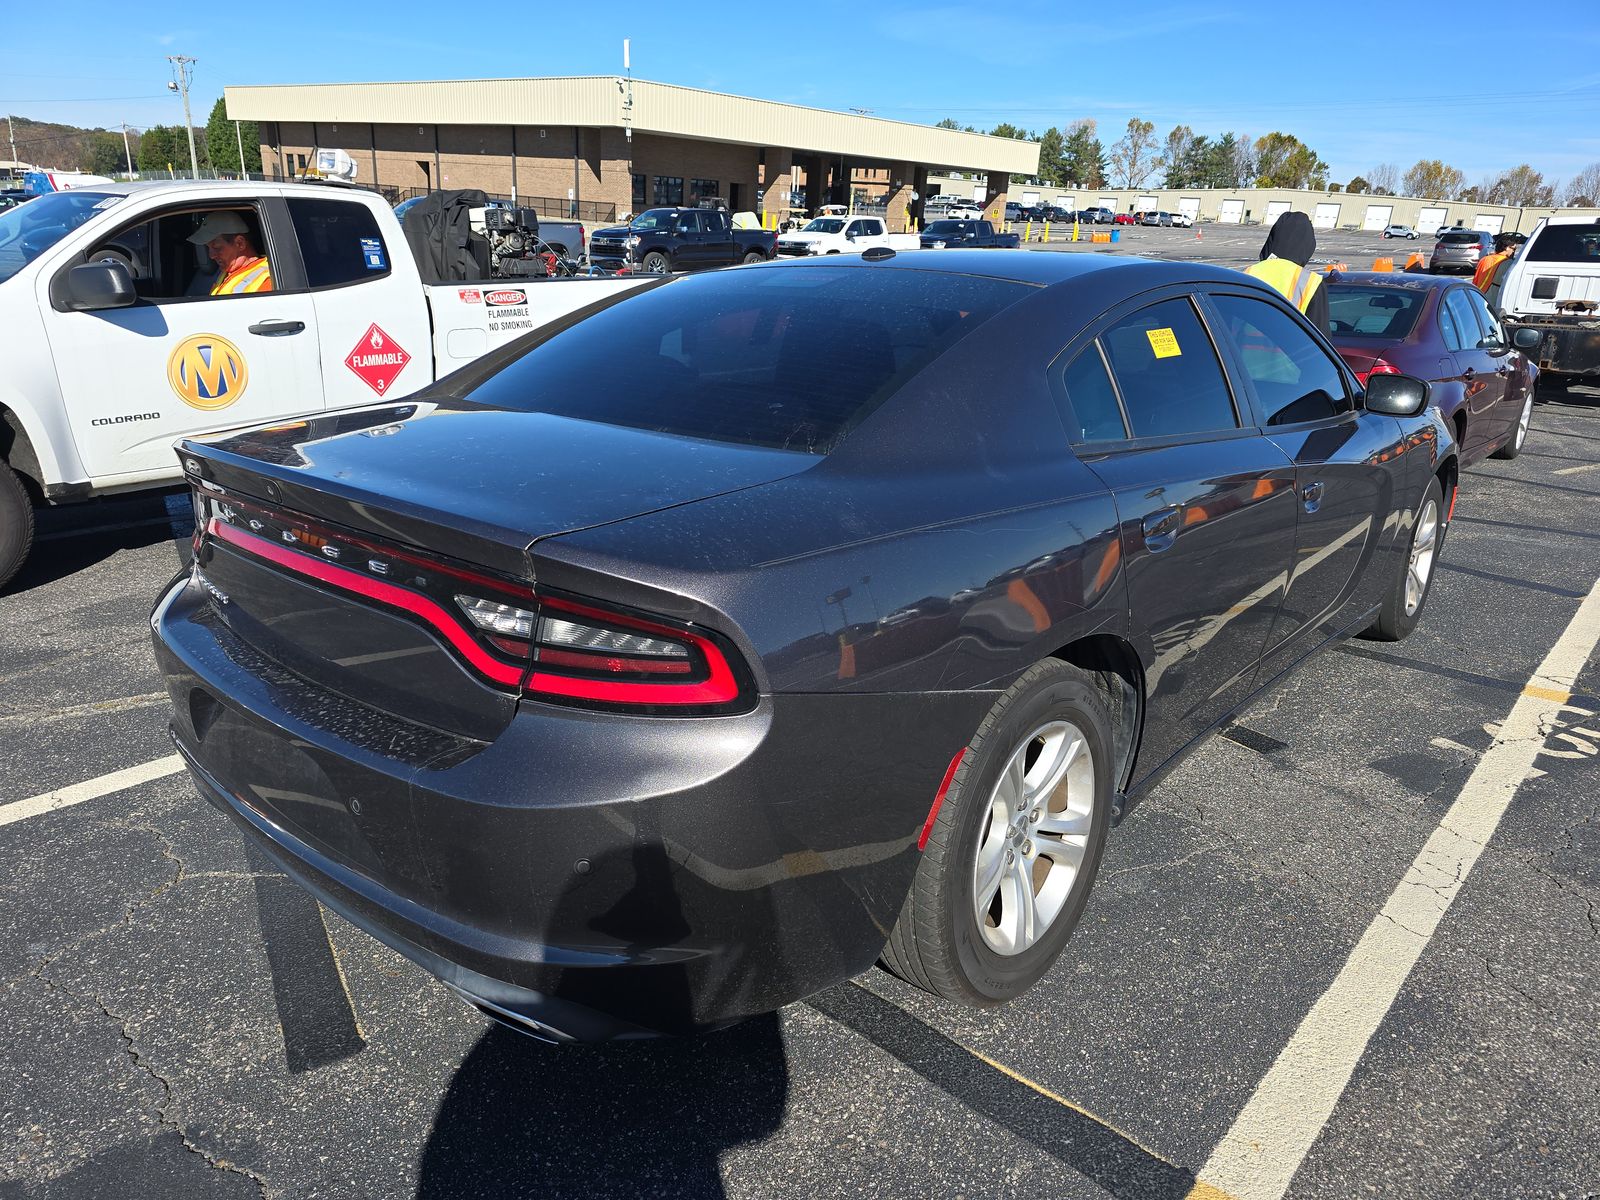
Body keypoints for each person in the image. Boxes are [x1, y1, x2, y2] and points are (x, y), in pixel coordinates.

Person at [1242, 211, 1328, 332]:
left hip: (1237, 349)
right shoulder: (1311, 283)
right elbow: (1320, 337)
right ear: (1308, 244)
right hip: (1287, 350)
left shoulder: (1249, 272)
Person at [187, 211, 272, 294]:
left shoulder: (266, 281)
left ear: (240, 243)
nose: (211, 255)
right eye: (208, 247)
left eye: (217, 247)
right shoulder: (227, 271)